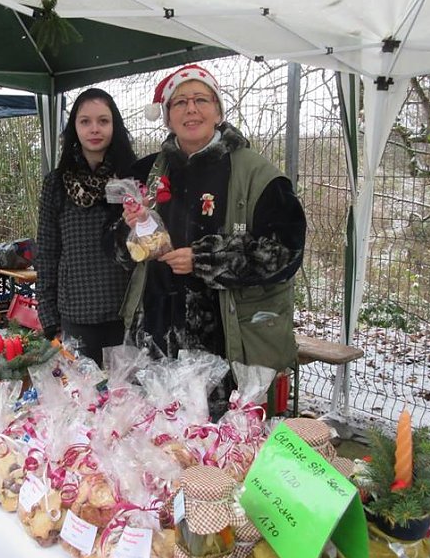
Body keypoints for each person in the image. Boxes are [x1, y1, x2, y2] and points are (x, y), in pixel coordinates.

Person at [115, 64, 306, 418]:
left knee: (213, 451)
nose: (191, 109)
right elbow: (117, 251)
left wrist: (204, 259)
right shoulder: (146, 172)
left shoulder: (257, 173)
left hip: (224, 346)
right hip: (154, 334)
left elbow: (285, 252)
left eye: (201, 99)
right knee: (156, 441)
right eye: (180, 102)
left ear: (218, 111)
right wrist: (132, 232)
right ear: (167, 117)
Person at [35, 88, 137, 366]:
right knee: (83, 399)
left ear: (114, 126)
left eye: (103, 121)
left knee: (126, 400)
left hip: (128, 312)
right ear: (74, 128)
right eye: (85, 121)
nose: (95, 129)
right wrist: (48, 316)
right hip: (77, 313)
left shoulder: (134, 179)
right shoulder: (56, 184)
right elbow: (46, 252)